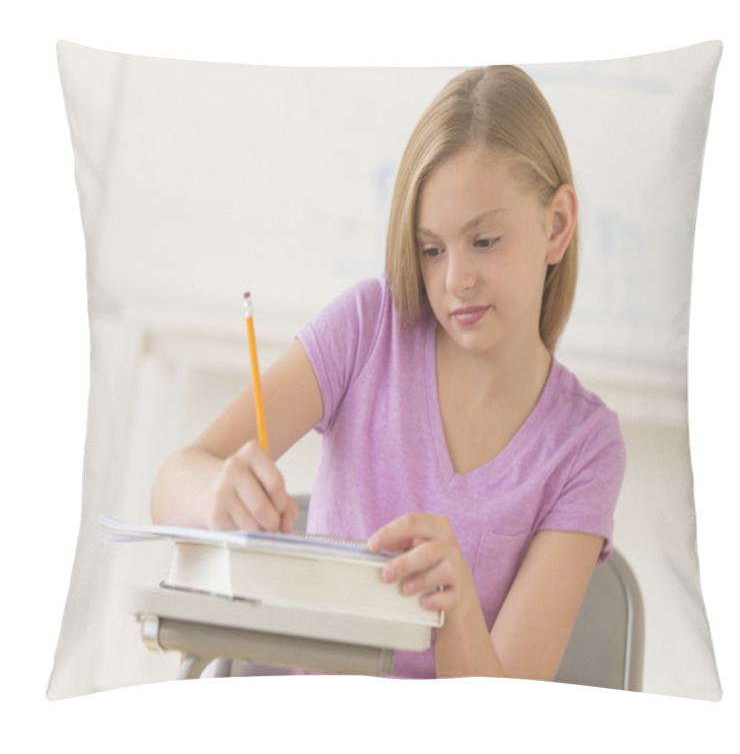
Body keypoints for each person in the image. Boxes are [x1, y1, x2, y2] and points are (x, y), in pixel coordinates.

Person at [150, 65, 626, 680]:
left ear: (556, 225)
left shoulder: (584, 448)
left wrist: (453, 610)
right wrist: (215, 495)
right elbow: (170, 486)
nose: (455, 279)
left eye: (484, 240)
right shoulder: (369, 328)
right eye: (432, 249)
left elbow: (504, 722)